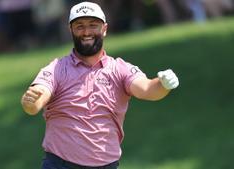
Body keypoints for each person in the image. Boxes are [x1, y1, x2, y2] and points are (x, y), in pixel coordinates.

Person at [21, 2, 179, 169]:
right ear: (71, 30)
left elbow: (147, 89)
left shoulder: (119, 69)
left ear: (104, 29)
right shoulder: (57, 68)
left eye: (93, 25)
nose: (86, 32)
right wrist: (31, 102)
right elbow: (38, 97)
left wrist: (163, 84)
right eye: (79, 26)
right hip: (60, 164)